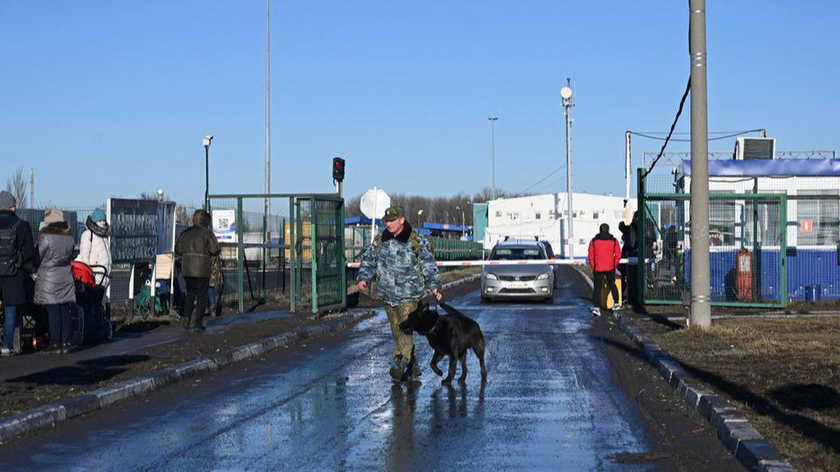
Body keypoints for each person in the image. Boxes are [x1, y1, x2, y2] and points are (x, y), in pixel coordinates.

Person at [356, 206, 443, 383]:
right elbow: (369, 259)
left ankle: (400, 363)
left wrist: (434, 286)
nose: (388, 224)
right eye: (386, 221)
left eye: (392, 220)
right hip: (388, 295)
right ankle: (413, 366)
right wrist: (364, 278)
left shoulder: (415, 241)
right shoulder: (381, 241)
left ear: (401, 220)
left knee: (405, 330)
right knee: (397, 332)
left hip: (409, 295)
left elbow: (428, 264)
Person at [0, 191, 36, 356]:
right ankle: (7, 345)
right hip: (13, 274)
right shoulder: (22, 225)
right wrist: (19, 261)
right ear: (13, 206)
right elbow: (29, 252)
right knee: (11, 309)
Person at [35, 209, 77, 353]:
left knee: (53, 311)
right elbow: (70, 257)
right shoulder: (69, 238)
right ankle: (65, 342)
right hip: (65, 276)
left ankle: (54, 343)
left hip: (49, 278)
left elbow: (38, 256)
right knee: (65, 310)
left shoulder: (46, 237)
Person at [175, 209, 220, 331]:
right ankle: (198, 324)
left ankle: (186, 318)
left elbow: (178, 249)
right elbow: (215, 249)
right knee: (201, 296)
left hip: (187, 268)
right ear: (205, 220)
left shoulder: (185, 233)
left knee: (190, 294)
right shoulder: (207, 233)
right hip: (202, 268)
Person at [588, 223, 621, 316]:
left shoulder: (594, 241)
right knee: (612, 284)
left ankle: (596, 308)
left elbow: (590, 255)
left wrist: (592, 266)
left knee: (597, 288)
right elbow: (618, 254)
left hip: (598, 268)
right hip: (610, 267)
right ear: (608, 230)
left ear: (600, 230)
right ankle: (616, 303)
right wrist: (614, 265)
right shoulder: (614, 241)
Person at [76, 208, 112, 291]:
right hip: (95, 276)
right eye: (100, 220)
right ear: (95, 221)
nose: (103, 222)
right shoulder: (88, 234)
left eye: (104, 220)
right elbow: (84, 255)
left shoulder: (104, 236)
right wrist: (88, 273)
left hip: (105, 276)